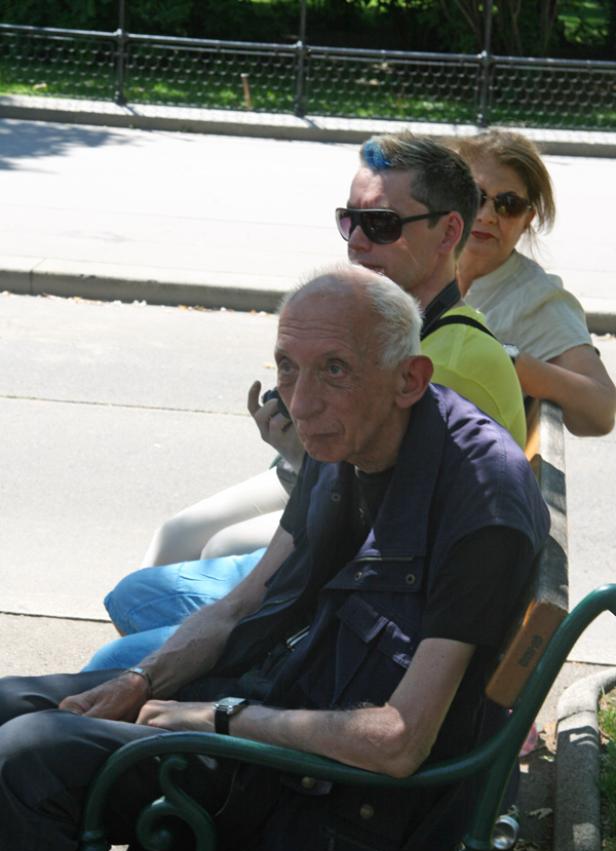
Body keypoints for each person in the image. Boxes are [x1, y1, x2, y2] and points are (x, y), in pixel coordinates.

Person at [0, 266, 549, 851]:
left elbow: (402, 740)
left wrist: (220, 718)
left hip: (322, 800)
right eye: (288, 367)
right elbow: (242, 604)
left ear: (411, 379)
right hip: (270, 708)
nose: (301, 402)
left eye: (335, 370)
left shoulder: (479, 501)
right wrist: (142, 680)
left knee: (29, 761)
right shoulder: (342, 439)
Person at [89, 133, 526, 670]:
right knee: (135, 593)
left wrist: (304, 452)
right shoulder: (412, 334)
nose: (357, 243)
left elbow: (387, 536)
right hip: (332, 561)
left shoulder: (444, 364)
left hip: (350, 603)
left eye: (382, 224)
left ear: (448, 232)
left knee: (114, 661)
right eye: (350, 222)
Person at [454, 129, 616, 437]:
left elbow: (602, 409)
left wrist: (506, 356)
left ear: (528, 217)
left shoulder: (539, 298)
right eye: (475, 196)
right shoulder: (424, 262)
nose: (487, 215)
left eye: (508, 204)